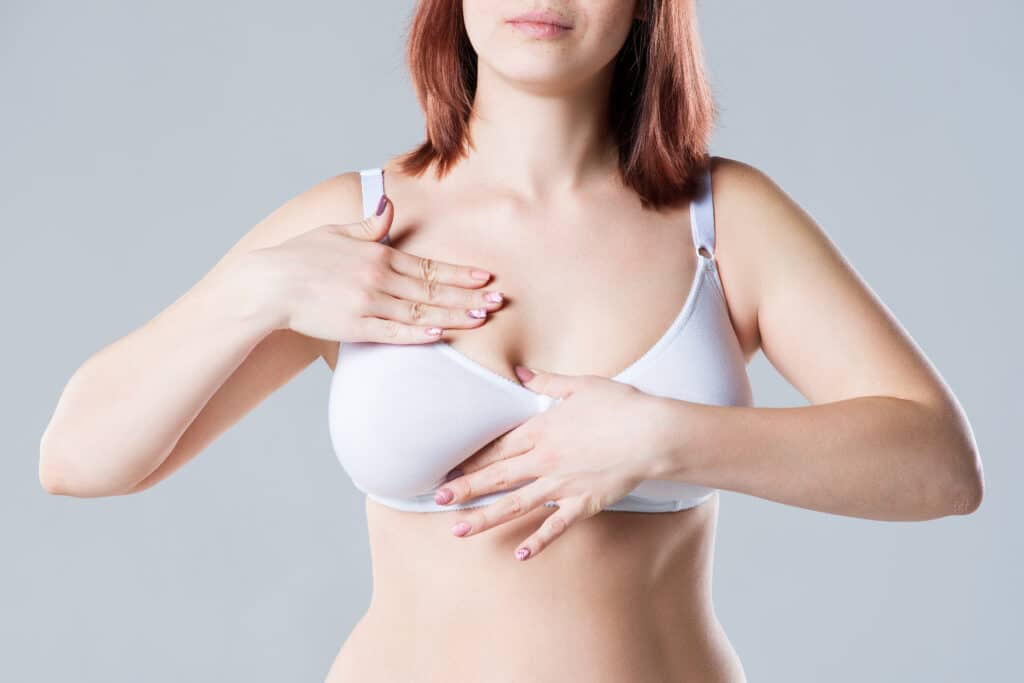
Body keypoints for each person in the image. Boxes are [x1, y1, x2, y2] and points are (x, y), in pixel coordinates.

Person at [39, 1, 985, 681]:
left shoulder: (723, 218)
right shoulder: (361, 226)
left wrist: (663, 436)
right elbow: (79, 459)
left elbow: (940, 466)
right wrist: (258, 289)